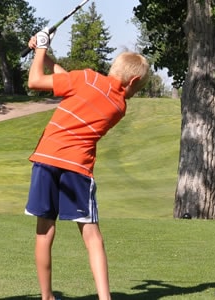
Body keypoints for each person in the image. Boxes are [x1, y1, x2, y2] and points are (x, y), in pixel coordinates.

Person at [23, 26, 151, 300]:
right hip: (77, 169)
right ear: (132, 82)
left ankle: (46, 297)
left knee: (45, 231)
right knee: (91, 236)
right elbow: (68, 80)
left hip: (46, 159)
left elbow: (35, 81)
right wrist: (44, 54)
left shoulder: (87, 79)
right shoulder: (119, 107)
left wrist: (42, 46)